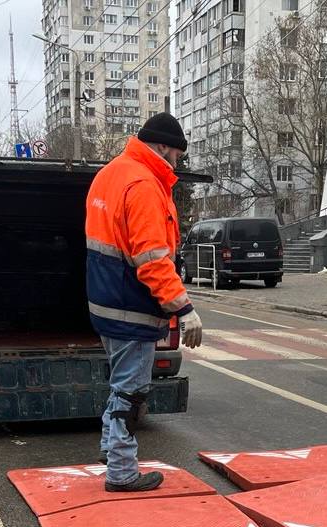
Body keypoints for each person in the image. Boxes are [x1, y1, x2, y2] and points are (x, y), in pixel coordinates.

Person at [85, 113, 203, 492]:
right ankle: (121, 471)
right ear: (164, 147)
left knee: (121, 386)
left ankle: (110, 449)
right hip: (131, 307)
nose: (177, 163)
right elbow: (152, 260)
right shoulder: (144, 184)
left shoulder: (111, 173)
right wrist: (184, 309)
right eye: (178, 156)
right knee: (131, 392)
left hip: (106, 302)